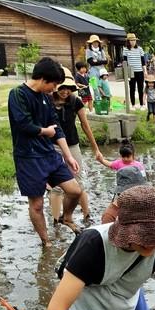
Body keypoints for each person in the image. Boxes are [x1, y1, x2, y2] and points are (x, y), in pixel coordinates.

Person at [7, 57, 81, 247]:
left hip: (49, 155)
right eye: (54, 84)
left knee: (75, 191)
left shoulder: (46, 98)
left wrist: (68, 155)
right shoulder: (17, 94)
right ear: (43, 79)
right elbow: (22, 124)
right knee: (37, 204)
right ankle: (46, 241)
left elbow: (57, 128)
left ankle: (66, 217)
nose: (55, 88)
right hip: (28, 157)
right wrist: (43, 131)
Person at [50, 71, 98, 223]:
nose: (65, 91)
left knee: (78, 181)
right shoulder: (48, 102)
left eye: (69, 88)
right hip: (54, 146)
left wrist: (95, 148)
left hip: (72, 144)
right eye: (62, 87)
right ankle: (56, 220)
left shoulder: (75, 101)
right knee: (57, 186)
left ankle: (87, 215)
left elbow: (85, 125)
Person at [97, 143, 146, 223]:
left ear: (133, 155)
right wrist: (101, 160)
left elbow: (143, 179)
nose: (126, 159)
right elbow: (109, 164)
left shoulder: (139, 165)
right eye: (123, 156)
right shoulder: (119, 163)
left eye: (128, 156)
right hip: (123, 187)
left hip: (136, 186)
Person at [121, 33, 147, 107]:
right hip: (131, 72)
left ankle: (141, 104)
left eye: (134, 40)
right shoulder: (125, 49)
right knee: (132, 89)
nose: (133, 42)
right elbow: (125, 61)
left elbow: (143, 61)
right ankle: (133, 105)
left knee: (140, 88)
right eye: (131, 40)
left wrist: (145, 71)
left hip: (139, 71)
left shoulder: (140, 49)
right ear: (128, 41)